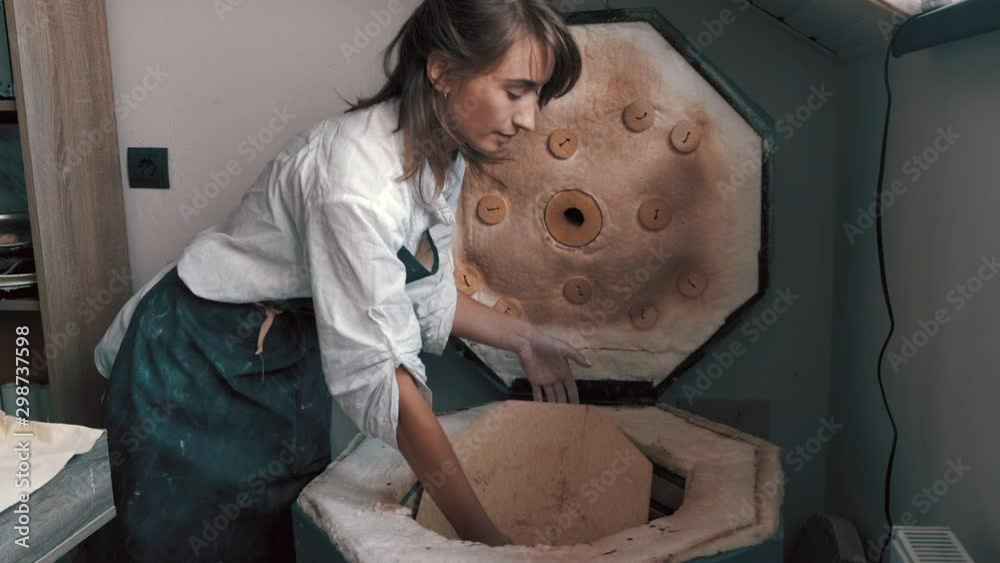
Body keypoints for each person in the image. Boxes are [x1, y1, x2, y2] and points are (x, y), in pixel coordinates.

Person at [90, 1, 585, 561]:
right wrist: (492, 542)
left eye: (538, 96)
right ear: (442, 71)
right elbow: (384, 375)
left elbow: (420, 287)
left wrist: (523, 338)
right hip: (195, 361)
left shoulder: (443, 155)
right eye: (516, 91)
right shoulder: (356, 182)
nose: (531, 119)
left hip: (274, 357)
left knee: (271, 538)